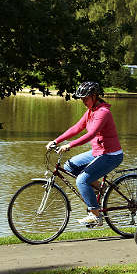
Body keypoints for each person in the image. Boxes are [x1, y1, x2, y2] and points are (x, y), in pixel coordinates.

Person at [46, 81, 123, 227]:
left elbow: (91, 134)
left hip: (111, 155)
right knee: (69, 166)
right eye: (81, 99)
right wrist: (56, 140)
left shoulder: (103, 112)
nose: (83, 102)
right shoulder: (91, 111)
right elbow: (76, 128)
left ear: (94, 96)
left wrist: (69, 145)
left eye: (85, 98)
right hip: (98, 152)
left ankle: (96, 215)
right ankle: (100, 187)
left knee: (81, 180)